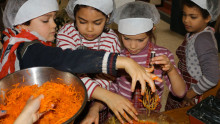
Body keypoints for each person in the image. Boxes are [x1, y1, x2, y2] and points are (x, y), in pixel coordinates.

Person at [81, 1, 186, 124]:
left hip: (149, 118)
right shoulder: (117, 57)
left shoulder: (163, 56)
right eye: (126, 38)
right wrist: (94, 108)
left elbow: (180, 92)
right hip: (120, 117)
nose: (132, 46)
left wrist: (171, 69)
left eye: (140, 40)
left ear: (152, 30)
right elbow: (109, 90)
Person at [56, 0, 121, 101]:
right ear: (74, 16)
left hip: (100, 100)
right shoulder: (66, 34)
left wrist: (95, 97)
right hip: (69, 96)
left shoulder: (111, 40)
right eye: (82, 22)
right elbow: (69, 70)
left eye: (97, 22)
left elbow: (110, 78)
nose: (89, 29)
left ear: (107, 18)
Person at [173, 0, 220, 108]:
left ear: (208, 18)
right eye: (184, 14)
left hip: (193, 93)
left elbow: (212, 77)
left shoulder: (204, 41)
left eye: (193, 17)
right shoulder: (193, 33)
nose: (186, 20)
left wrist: (190, 94)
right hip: (184, 85)